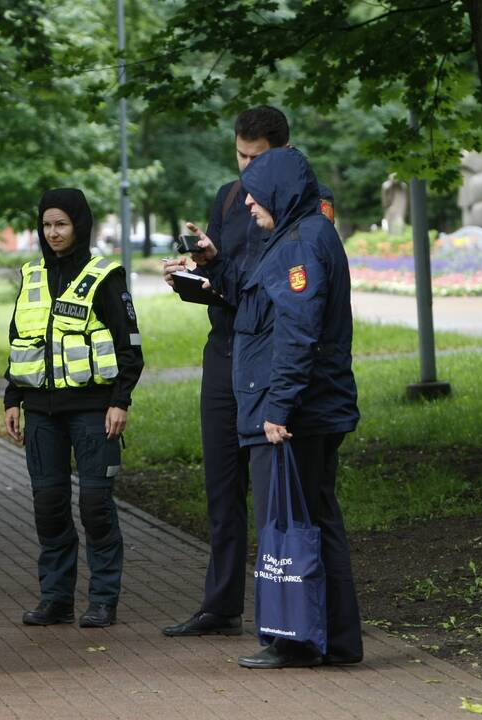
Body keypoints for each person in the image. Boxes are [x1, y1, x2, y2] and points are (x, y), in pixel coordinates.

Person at [160, 107, 334, 637]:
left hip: (270, 354)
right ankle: (221, 604)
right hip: (226, 347)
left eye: (254, 159)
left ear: (281, 152)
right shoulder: (231, 197)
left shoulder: (309, 203)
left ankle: (287, 611)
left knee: (282, 489)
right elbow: (231, 273)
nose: (244, 172)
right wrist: (202, 267)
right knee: (222, 482)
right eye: (239, 156)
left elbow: (296, 293)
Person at [191, 147, 362, 668]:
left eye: (256, 190)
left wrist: (278, 408)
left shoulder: (303, 242)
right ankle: (329, 640)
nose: (246, 200)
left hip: (295, 416)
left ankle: (296, 639)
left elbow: (297, 334)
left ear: (282, 190)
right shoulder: (289, 238)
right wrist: (212, 266)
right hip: (298, 410)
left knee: (293, 526)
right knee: (312, 520)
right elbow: (254, 300)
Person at [3, 188, 144, 628]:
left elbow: (130, 347)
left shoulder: (105, 276)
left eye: (61, 224)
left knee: (96, 505)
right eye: (46, 225)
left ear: (79, 225)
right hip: (41, 412)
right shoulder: (31, 275)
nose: (53, 233)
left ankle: (102, 599)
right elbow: (19, 341)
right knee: (49, 505)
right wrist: (12, 399)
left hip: (92, 409)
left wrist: (120, 400)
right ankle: (56, 598)